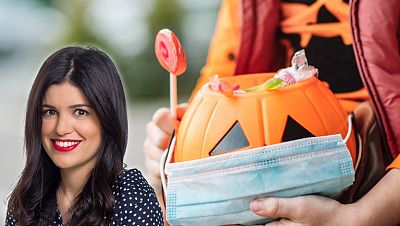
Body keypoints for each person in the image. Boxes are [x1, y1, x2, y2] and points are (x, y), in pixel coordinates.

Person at [144, 0, 400, 225]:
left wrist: (365, 216)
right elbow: (220, 86)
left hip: (382, 173)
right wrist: (181, 137)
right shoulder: (242, 6)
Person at [6, 46, 164, 226]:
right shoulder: (27, 200)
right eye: (50, 112)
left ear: (107, 118)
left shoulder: (132, 198)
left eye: (80, 112)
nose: (61, 128)